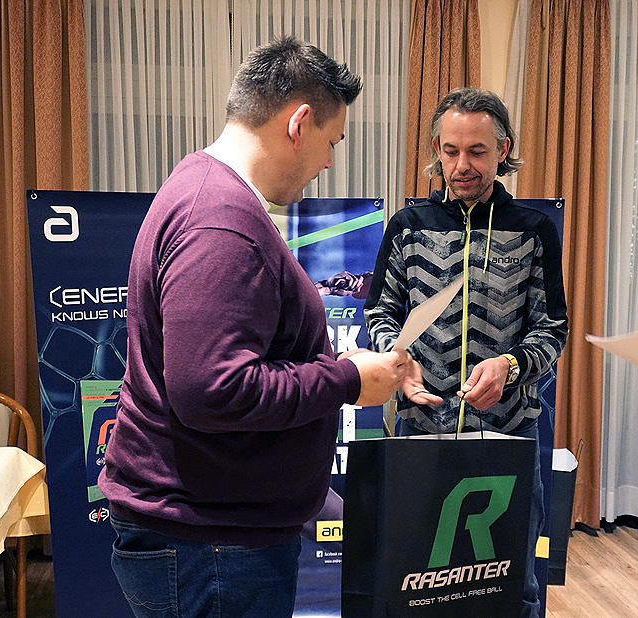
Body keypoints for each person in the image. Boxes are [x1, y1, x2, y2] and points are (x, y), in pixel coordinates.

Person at [98, 37, 409, 618]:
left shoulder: (205, 189)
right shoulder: (220, 222)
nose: (328, 164)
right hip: (211, 545)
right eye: (332, 142)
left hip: (210, 534)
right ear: (299, 123)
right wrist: (346, 380)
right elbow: (212, 390)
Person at [364, 87, 569, 618]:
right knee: (416, 581)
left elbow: (552, 329)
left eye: (477, 151)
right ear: (436, 148)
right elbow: (380, 313)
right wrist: (398, 361)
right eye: (450, 151)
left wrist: (510, 366)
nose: (461, 166)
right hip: (420, 432)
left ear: (503, 150)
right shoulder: (407, 227)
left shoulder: (533, 231)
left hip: (508, 436)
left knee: (510, 586)